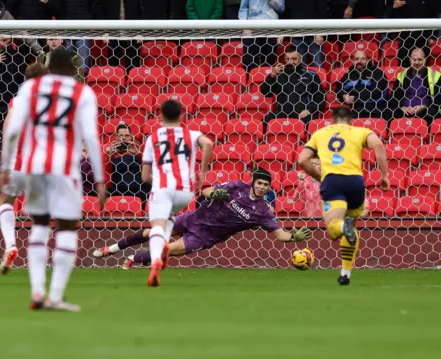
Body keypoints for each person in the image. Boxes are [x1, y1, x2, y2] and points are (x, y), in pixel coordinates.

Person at [0, 49, 106, 312]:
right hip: (65, 168)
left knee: (39, 225)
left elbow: (12, 129)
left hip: (34, 166)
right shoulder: (82, 92)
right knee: (67, 228)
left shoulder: (31, 87)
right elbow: (91, 137)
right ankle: (55, 295)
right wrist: (101, 178)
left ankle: (37, 291)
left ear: (48, 65)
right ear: (73, 68)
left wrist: (5, 165)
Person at [93, 168, 313, 268]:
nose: (262, 186)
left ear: (267, 188)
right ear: (253, 181)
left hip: (206, 236)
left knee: (167, 250)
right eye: (260, 182)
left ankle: (132, 260)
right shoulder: (237, 186)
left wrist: (294, 237)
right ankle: (112, 249)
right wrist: (213, 193)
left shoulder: (263, 211)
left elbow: (280, 234)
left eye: (266, 185)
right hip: (193, 218)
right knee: (153, 232)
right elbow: (206, 190)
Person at [297, 106, 389, 286]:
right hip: (356, 183)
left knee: (333, 229)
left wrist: (320, 177)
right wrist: (384, 175)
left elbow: (302, 160)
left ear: (332, 120)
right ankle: (345, 273)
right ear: (351, 120)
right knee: (351, 230)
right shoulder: (361, 131)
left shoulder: (321, 133)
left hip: (334, 182)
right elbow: (378, 144)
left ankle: (342, 226)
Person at [141, 100, 213, 287]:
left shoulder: (153, 138)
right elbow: (209, 143)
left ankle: (156, 259)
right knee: (169, 216)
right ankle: (164, 246)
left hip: (163, 188)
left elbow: (145, 176)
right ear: (182, 115)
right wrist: (203, 172)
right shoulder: (191, 134)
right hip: (185, 192)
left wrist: (157, 178)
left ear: (160, 116)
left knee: (157, 224)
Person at [0, 63, 49, 276]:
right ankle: (38, 257)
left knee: (6, 201)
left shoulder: (17, 101)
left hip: (18, 162)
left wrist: (4, 165)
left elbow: (8, 130)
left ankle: (10, 245)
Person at [261, 45, 325, 128]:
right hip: (282, 114)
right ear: (284, 59)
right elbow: (266, 93)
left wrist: (309, 110)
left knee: (312, 124)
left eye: (294, 59)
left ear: (300, 59)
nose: (290, 62)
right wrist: (272, 76)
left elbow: (321, 98)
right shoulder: (278, 74)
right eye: (288, 59)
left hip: (302, 114)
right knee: (265, 121)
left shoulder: (311, 74)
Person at [390, 48, 441, 126]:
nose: (417, 62)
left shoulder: (435, 75)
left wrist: (424, 106)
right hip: (405, 111)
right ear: (410, 60)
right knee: (388, 113)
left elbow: (438, 99)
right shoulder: (402, 75)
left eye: (420, 59)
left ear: (425, 60)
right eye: (414, 59)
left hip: (425, 111)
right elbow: (394, 98)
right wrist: (403, 108)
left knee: (432, 113)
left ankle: (426, 137)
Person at [334, 50, 389, 119]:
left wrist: (356, 97)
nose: (359, 61)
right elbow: (338, 88)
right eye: (357, 59)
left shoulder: (377, 73)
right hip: (355, 109)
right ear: (353, 61)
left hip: (376, 108)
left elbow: (378, 91)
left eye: (363, 59)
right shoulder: (349, 74)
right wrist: (344, 95)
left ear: (367, 60)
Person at [106, 124, 149, 207]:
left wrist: (138, 154)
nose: (124, 138)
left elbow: (149, 168)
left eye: (126, 135)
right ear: (116, 137)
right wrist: (110, 155)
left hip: (138, 190)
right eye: (121, 135)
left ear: (131, 136)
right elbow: (105, 174)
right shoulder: (110, 151)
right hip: (117, 190)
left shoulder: (139, 149)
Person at [238, 0, 285, 71]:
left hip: (271, 30)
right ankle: (251, 81)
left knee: (268, 65)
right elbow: (243, 8)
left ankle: (267, 81)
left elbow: (281, 9)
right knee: (249, 63)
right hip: (251, 30)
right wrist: (244, 26)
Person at [284, 0, 326, 67]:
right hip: (297, 34)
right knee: (298, 65)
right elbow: (287, 14)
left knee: (318, 64)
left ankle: (318, 78)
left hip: (314, 34)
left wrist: (319, 32)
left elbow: (322, 12)